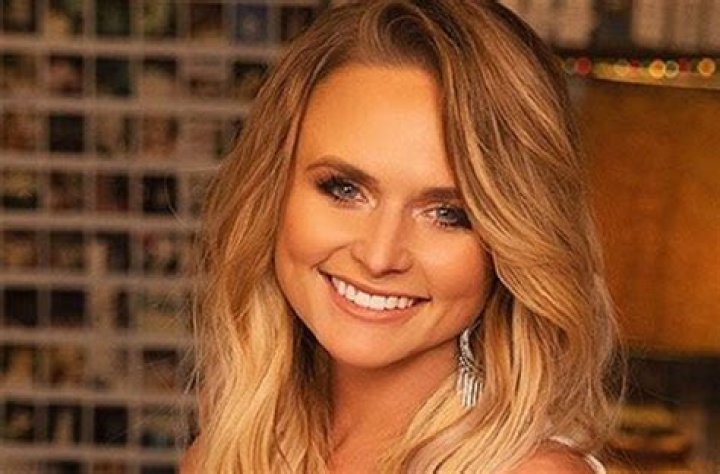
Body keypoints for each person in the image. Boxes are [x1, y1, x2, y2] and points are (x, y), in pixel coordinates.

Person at [183, 0, 619, 472]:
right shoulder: (222, 457)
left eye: (448, 214)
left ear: (510, 241)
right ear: (273, 190)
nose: (379, 255)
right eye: (344, 189)